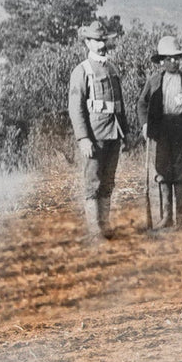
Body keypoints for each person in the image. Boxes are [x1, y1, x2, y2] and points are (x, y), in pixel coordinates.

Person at [67, 18, 129, 241]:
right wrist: (83, 138)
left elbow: (119, 104)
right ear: (88, 43)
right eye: (96, 41)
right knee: (93, 183)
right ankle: (94, 232)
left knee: (108, 182)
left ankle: (104, 226)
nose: (102, 45)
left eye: (103, 40)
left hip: (114, 134)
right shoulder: (81, 71)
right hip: (94, 136)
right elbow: (75, 108)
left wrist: (126, 133)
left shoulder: (111, 69)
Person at [138, 35, 182, 229]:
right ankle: (166, 217)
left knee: (181, 173)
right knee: (163, 172)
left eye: (176, 58)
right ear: (162, 61)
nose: (173, 62)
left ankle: (181, 220)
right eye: (169, 59)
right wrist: (145, 125)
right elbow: (142, 103)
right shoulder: (154, 81)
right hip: (161, 132)